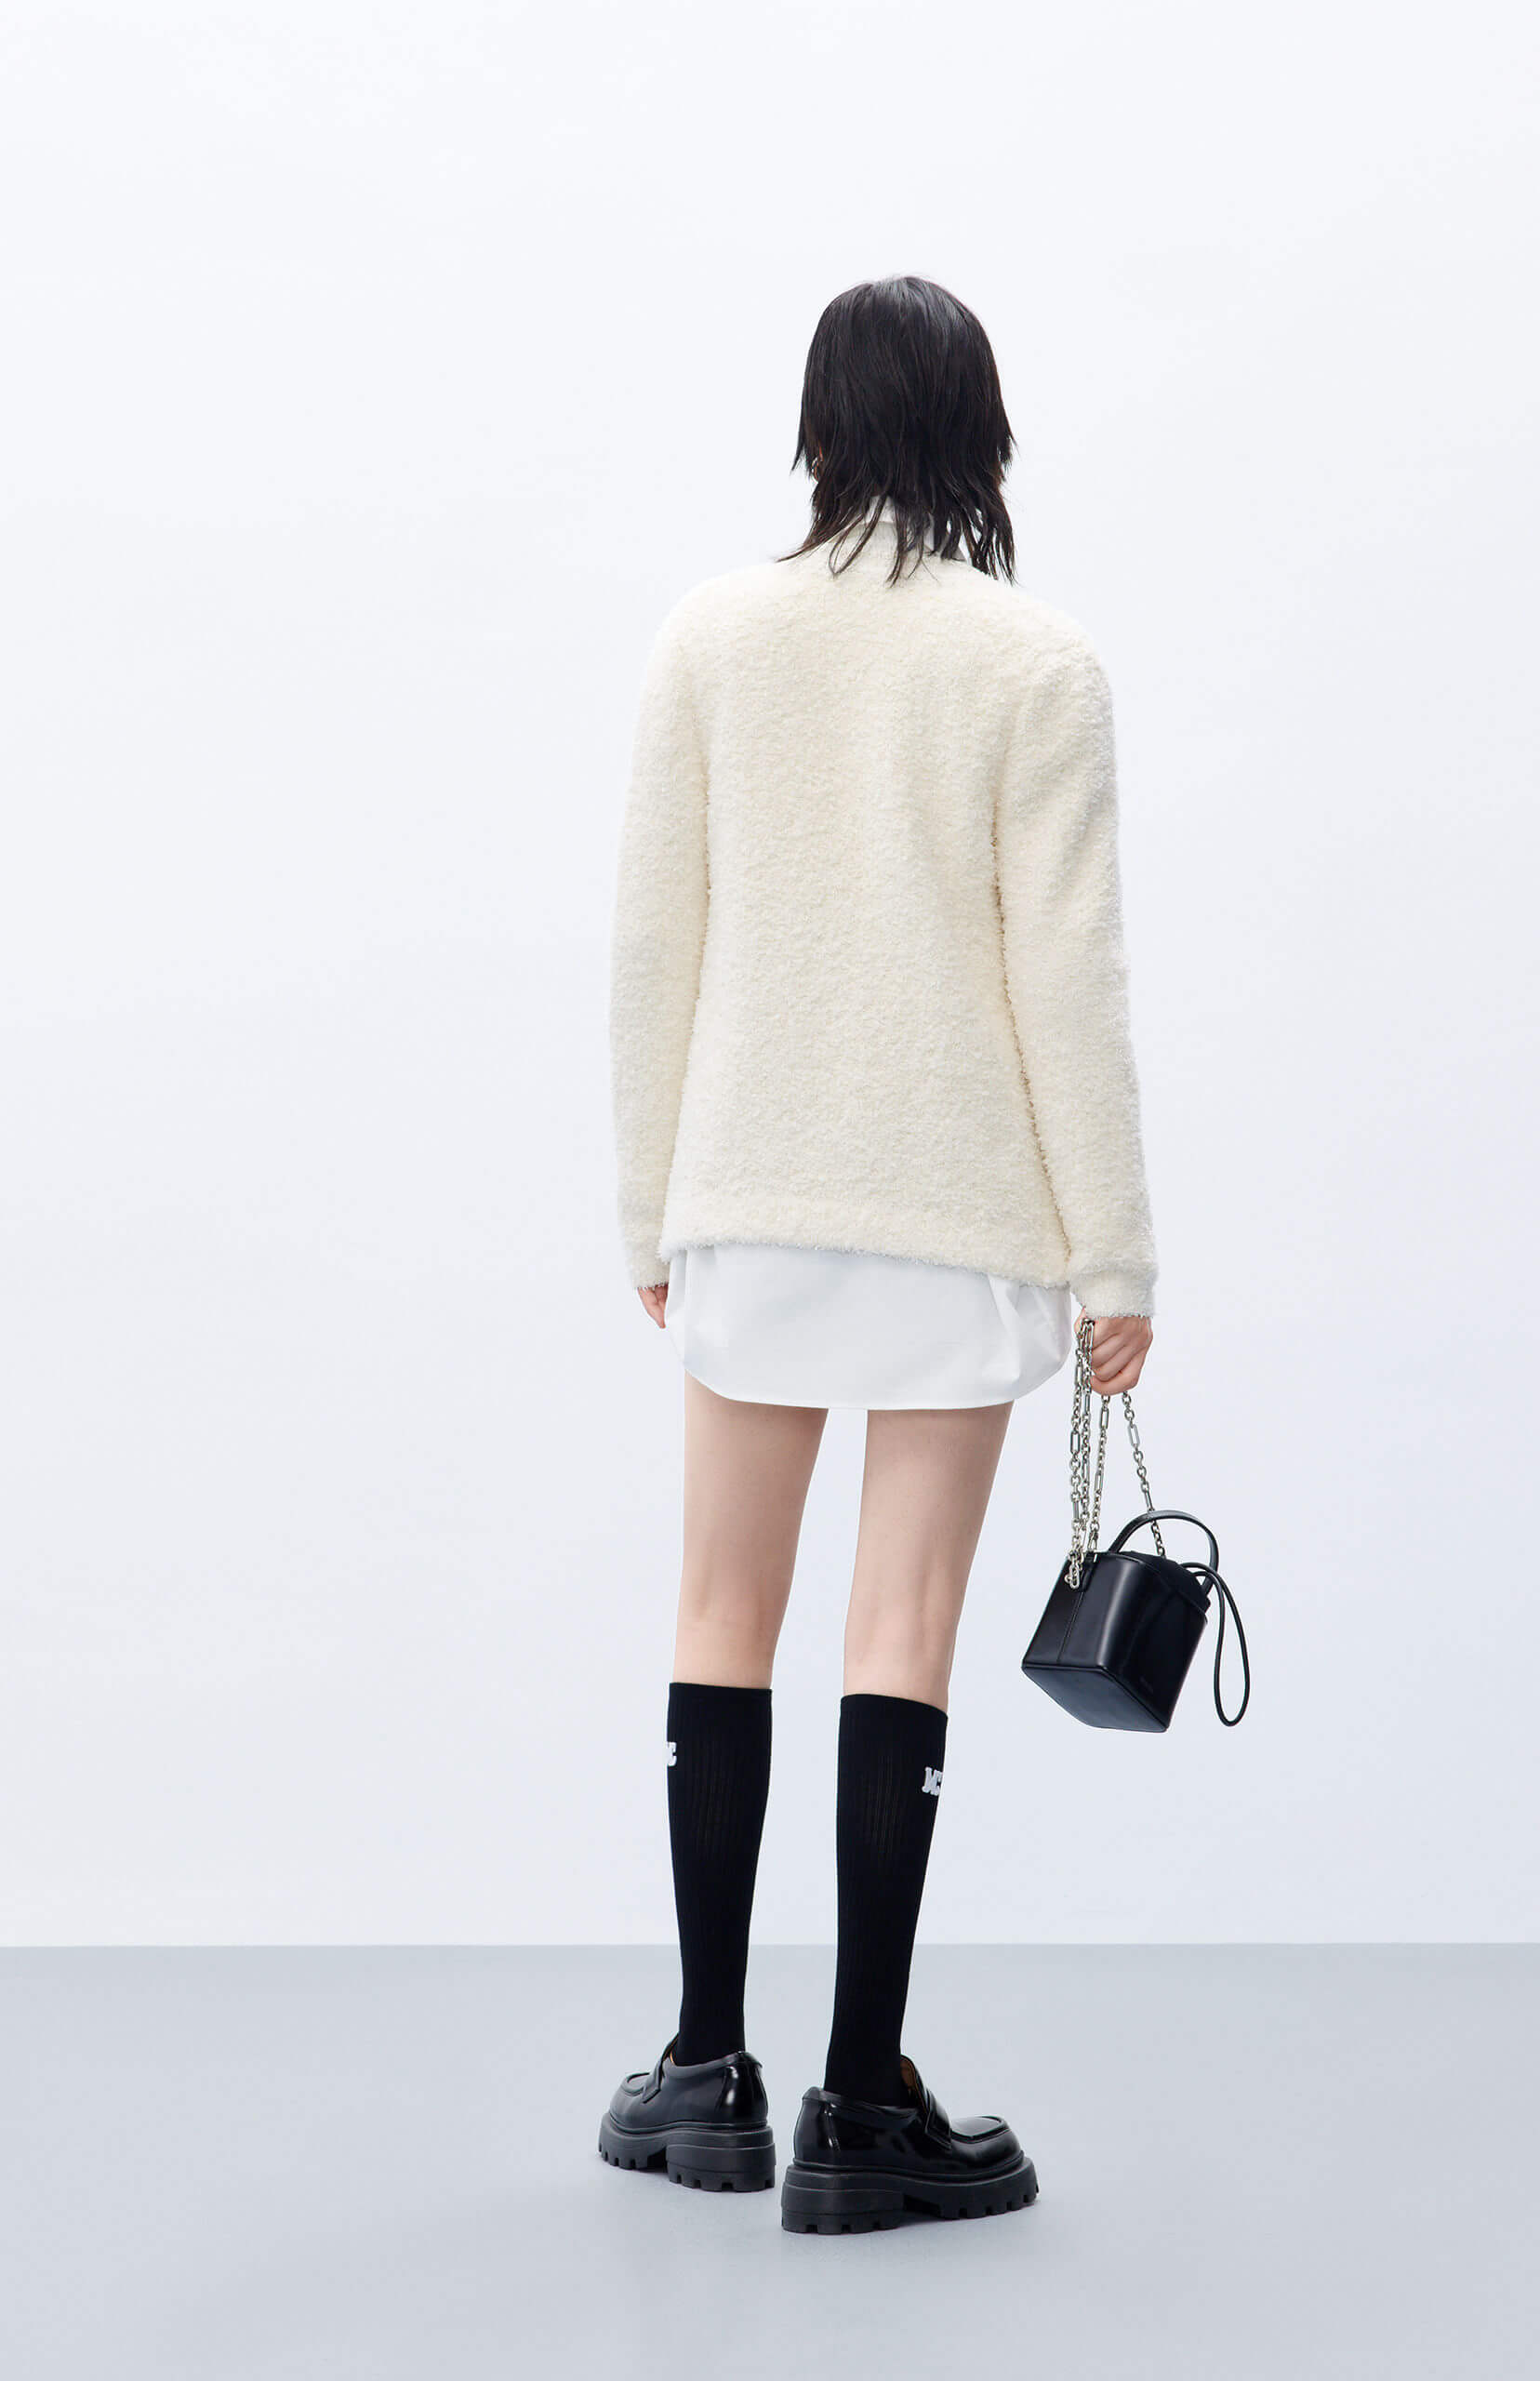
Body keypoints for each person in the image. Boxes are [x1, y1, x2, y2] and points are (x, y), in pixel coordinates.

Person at [600, 275, 1156, 2234]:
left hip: (751, 1195)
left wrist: (650, 1203)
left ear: (819, 428)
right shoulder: (1038, 664)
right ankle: (859, 2104)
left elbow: (653, 939)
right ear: (982, 429)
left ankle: (704, 2070)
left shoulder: (712, 637)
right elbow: (1067, 974)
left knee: (718, 1608)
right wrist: (1114, 1259)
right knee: (897, 1632)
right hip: (959, 1212)